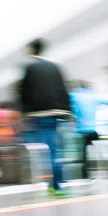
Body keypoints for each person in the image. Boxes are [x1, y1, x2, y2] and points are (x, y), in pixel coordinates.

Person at [20, 38, 71, 196]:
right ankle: (58, 182)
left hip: (39, 114)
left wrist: (24, 113)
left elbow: (24, 92)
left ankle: (54, 186)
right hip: (57, 113)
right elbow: (63, 89)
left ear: (31, 51)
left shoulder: (30, 68)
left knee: (48, 150)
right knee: (55, 148)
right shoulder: (55, 67)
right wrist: (67, 112)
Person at [69, 80, 108, 180]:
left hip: (79, 132)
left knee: (83, 155)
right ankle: (107, 169)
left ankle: (84, 175)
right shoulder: (93, 96)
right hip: (92, 131)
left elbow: (65, 105)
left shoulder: (73, 95)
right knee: (97, 147)